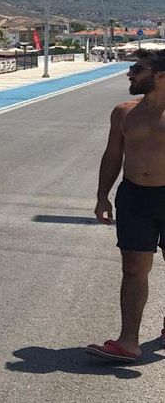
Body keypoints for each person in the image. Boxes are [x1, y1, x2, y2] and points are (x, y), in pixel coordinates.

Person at [87, 49, 165, 363]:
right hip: (135, 197)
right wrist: (102, 196)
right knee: (133, 268)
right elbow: (112, 156)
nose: (130, 74)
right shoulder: (124, 112)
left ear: (160, 76)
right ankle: (128, 342)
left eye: (137, 69)